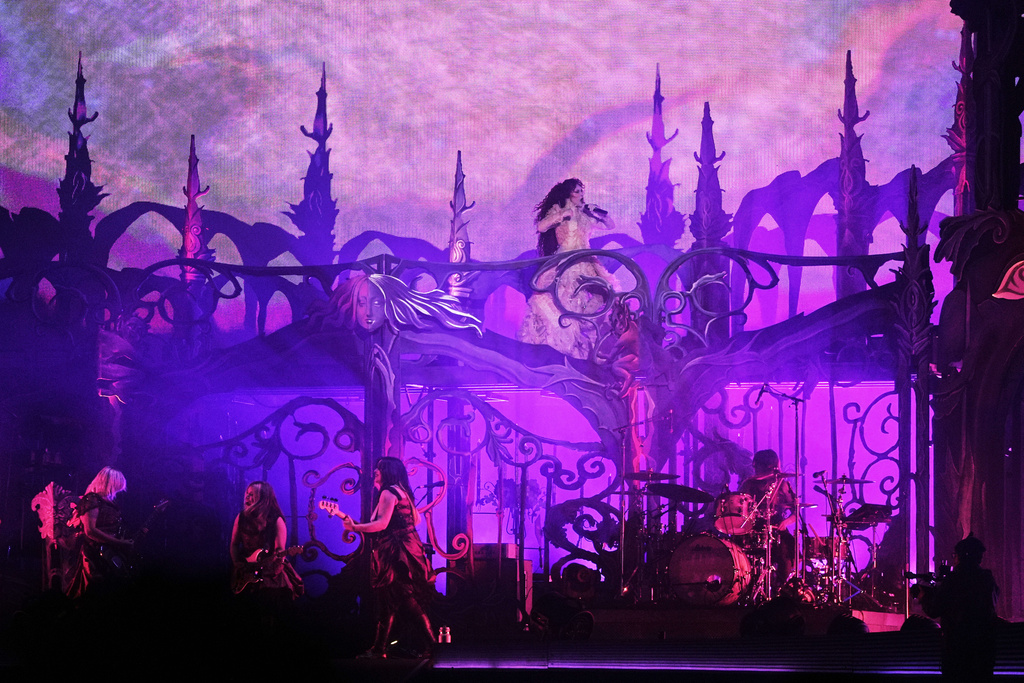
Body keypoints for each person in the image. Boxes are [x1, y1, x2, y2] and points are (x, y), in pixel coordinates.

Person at [340, 457, 436, 658]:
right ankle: (381, 648)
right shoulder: (402, 492)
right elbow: (415, 519)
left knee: (396, 598)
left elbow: (381, 525)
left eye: (380, 468)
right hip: (407, 548)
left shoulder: (388, 492)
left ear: (389, 471)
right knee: (395, 599)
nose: (375, 471)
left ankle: (428, 646)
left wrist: (355, 527)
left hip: (395, 553)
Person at [518, 178, 617, 359]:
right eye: (577, 191)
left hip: (586, 260)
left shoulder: (586, 214)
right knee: (562, 298)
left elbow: (610, 226)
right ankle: (561, 344)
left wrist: (600, 213)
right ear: (568, 194)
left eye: (581, 191)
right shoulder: (560, 210)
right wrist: (562, 215)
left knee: (603, 294)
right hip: (565, 261)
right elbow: (541, 226)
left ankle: (584, 328)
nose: (581, 194)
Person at [917, 534, 1000, 679]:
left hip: (957, 648)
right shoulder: (987, 578)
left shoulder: (954, 579)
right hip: (984, 648)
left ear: (961, 556)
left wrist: (923, 596)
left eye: (954, 555)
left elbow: (934, 610)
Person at [229, 481, 304, 604]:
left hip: (270, 572)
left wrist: (278, 559)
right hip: (245, 569)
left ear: (262, 497)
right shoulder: (241, 517)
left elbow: (280, 549)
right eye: (247, 494)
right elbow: (234, 544)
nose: (247, 497)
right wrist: (237, 563)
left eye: (252, 494)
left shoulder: (276, 520)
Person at [65, 466, 133, 599]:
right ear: (110, 483)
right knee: (93, 590)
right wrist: (119, 542)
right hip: (94, 554)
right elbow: (90, 531)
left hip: (108, 551)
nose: (118, 491)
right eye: (117, 486)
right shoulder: (92, 499)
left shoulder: (109, 502)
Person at [739, 449, 797, 587]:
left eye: (757, 466)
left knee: (786, 556)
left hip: (776, 528)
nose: (755, 469)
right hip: (753, 528)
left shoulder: (782, 484)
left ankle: (781, 588)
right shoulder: (749, 484)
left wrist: (786, 522)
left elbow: (796, 512)